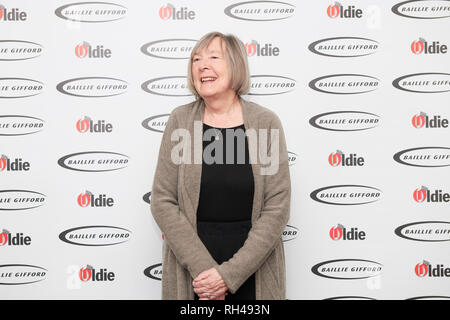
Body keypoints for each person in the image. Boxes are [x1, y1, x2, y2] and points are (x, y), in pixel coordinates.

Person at [150, 31, 291, 300]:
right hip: (195, 274)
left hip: (253, 269)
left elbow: (277, 206)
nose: (202, 65)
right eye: (196, 59)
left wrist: (229, 276)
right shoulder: (180, 121)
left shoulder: (265, 123)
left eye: (214, 57)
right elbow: (162, 201)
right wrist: (207, 273)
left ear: (236, 65)